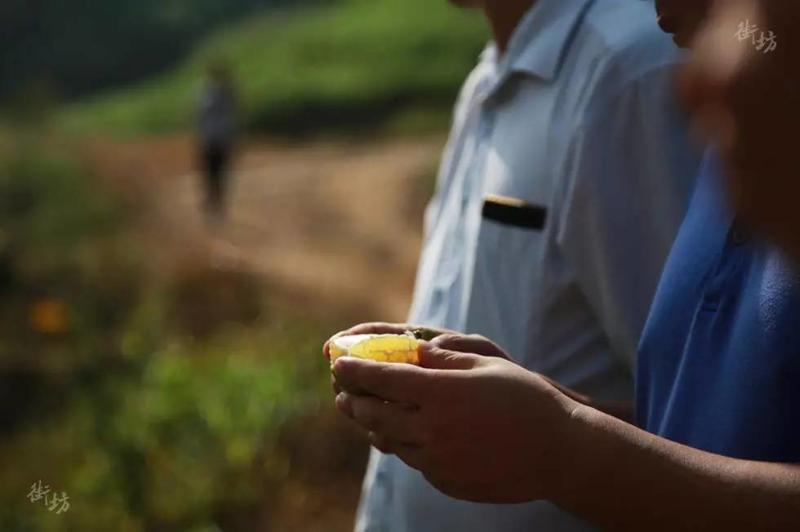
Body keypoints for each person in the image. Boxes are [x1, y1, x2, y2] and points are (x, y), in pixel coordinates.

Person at [328, 0, 800, 529]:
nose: (651, 6)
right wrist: (546, 410)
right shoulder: (491, 77)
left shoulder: (631, 72)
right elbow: (688, 412)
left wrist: (567, 450)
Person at [196, 63, 237, 222]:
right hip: (216, 138)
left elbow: (198, 115)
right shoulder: (226, 94)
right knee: (215, 172)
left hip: (215, 138)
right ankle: (214, 202)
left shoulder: (207, 93)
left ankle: (215, 203)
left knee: (215, 172)